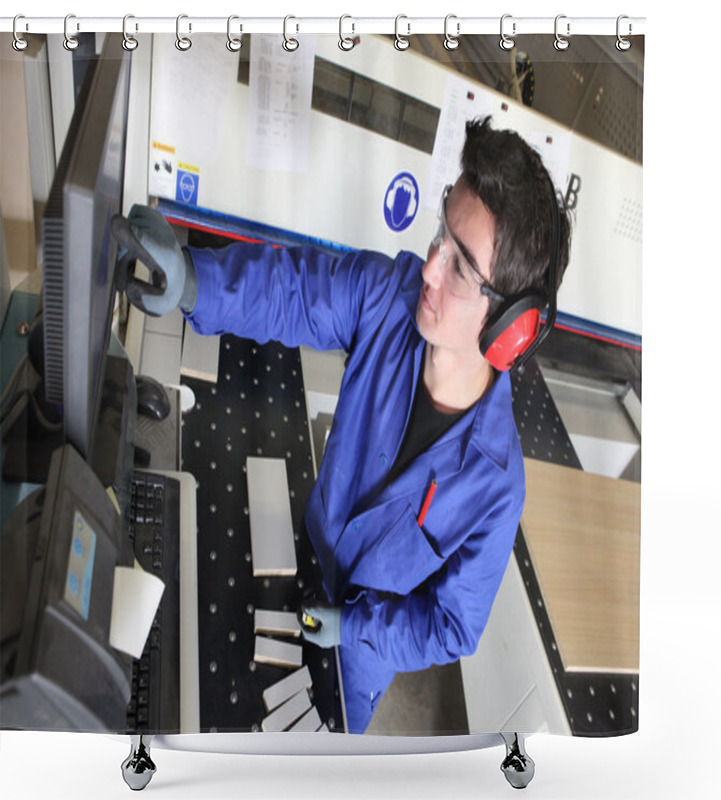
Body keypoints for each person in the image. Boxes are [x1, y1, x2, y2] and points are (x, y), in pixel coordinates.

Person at [115, 116, 571, 734]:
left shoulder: (496, 486)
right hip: (306, 551)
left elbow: (453, 626)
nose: (430, 271)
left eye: (462, 268)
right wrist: (196, 282)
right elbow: (292, 292)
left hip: (359, 657)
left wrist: (355, 627)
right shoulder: (389, 296)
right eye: (441, 235)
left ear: (511, 328)